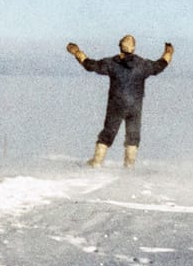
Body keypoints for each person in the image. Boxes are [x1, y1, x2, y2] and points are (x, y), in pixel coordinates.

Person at [66, 34, 173, 168]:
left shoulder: (111, 63)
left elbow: (89, 65)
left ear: (120, 47)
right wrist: (169, 52)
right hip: (135, 107)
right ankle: (129, 167)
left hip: (116, 105)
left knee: (108, 133)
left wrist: (77, 52)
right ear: (133, 48)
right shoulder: (143, 65)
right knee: (133, 136)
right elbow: (161, 64)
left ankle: (97, 163)